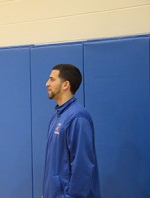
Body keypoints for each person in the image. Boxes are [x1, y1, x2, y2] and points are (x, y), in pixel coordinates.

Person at [42, 64, 100, 198]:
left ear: (65, 85)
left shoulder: (78, 117)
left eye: (52, 79)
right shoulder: (56, 117)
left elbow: (83, 166)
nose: (47, 83)